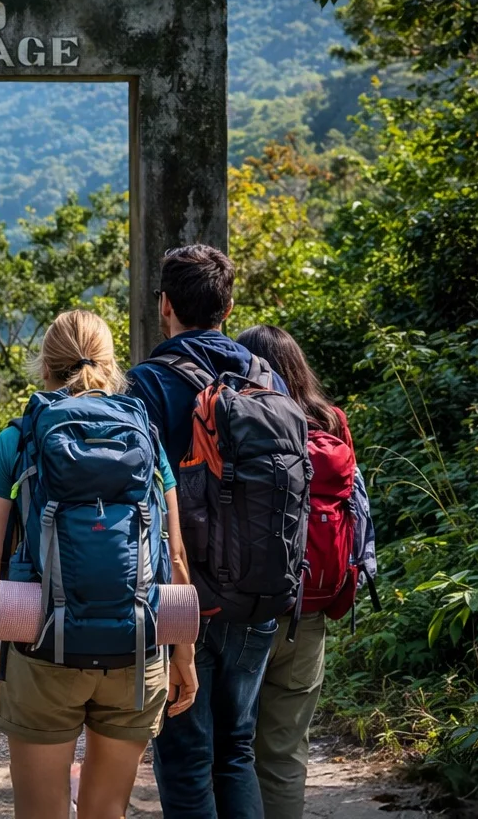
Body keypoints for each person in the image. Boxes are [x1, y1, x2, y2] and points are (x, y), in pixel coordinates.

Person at [0, 309, 198, 819]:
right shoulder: (147, 437)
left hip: (41, 645)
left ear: (44, 367)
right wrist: (184, 655)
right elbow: (174, 555)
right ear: (112, 365)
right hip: (137, 647)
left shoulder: (19, 438)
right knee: (106, 812)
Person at [126, 245, 287, 819]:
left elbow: (135, 496)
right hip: (258, 587)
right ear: (229, 305)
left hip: (179, 593)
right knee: (235, 749)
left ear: (164, 305)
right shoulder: (267, 377)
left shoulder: (146, 384)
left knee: (184, 753)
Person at [235, 324, 354, 819]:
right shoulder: (332, 421)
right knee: (285, 750)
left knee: (232, 746)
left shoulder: (242, 418)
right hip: (311, 607)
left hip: (245, 608)